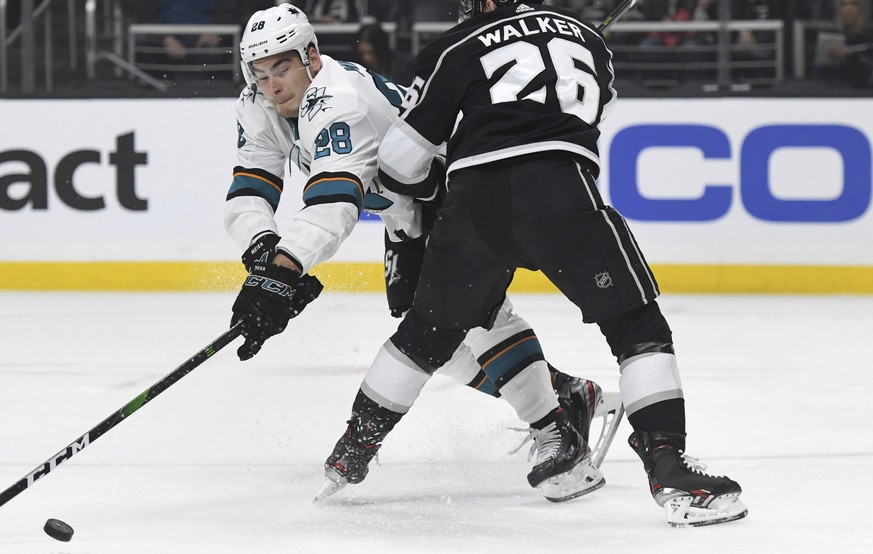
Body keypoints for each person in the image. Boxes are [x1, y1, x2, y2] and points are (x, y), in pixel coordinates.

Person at [322, 0, 748, 527]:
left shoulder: (454, 47)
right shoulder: (590, 41)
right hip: (562, 190)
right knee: (637, 327)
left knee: (423, 335)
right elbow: (594, 106)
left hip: (475, 203)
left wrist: (460, 147)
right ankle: (669, 468)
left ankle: (351, 452)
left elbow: (397, 163)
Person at [224, 4, 622, 504]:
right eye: (259, 73)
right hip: (404, 210)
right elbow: (250, 183)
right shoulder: (257, 103)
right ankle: (565, 392)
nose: (271, 84)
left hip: (450, 194)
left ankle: (554, 426)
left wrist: (285, 269)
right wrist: (262, 253)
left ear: (310, 55)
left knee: (474, 318)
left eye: (280, 68)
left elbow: (333, 202)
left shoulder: (337, 100)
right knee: (438, 342)